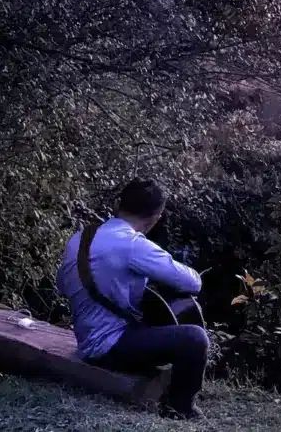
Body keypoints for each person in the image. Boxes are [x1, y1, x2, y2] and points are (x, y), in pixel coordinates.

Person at [56, 179, 208, 419]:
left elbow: (62, 286)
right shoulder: (133, 245)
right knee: (194, 338)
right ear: (155, 217)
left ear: (118, 205)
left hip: (86, 341)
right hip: (109, 348)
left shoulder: (79, 238)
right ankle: (180, 408)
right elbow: (193, 282)